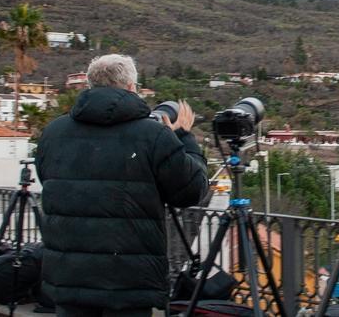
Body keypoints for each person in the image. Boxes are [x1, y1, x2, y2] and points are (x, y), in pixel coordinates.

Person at [36, 54, 209, 317]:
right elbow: (192, 190)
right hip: (129, 282)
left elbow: (47, 179)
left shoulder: (53, 133)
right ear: (131, 87)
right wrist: (184, 137)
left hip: (69, 277)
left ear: (90, 85)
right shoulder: (154, 136)